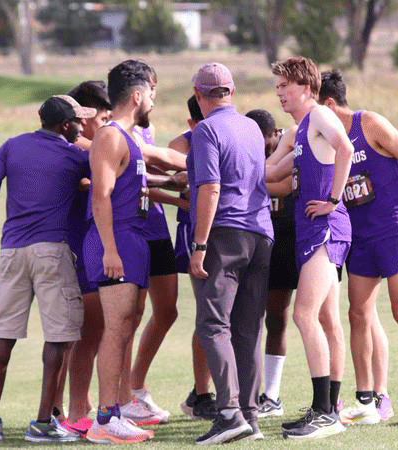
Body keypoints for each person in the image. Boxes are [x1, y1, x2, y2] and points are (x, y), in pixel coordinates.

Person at [318, 69, 398, 425]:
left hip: (394, 231)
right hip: (361, 238)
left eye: (317, 110)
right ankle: (365, 401)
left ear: (329, 104)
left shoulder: (369, 124)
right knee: (357, 314)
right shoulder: (328, 140)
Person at [0, 95, 96, 443]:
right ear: (65, 125)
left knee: (4, 336)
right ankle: (42, 423)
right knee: (59, 336)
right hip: (52, 252)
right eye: (79, 122)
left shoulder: (12, 146)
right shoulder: (76, 155)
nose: (84, 127)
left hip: (12, 251)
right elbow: (106, 182)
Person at [83, 59, 175, 444]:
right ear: (137, 95)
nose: (154, 98)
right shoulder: (110, 137)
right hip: (116, 240)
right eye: (151, 92)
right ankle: (105, 419)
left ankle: (118, 409)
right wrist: (110, 249)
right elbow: (101, 196)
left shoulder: (130, 137)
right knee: (117, 327)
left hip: (134, 238)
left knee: (129, 323)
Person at [266, 56, 353, 439]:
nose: (279, 93)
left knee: (304, 315)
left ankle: (324, 413)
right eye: (278, 87)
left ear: (305, 86)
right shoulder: (299, 130)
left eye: (285, 86)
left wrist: (334, 199)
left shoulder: (319, 116)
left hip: (326, 228)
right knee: (329, 319)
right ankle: (328, 407)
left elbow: (346, 148)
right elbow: (270, 173)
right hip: (309, 231)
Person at [188, 63, 274, 444]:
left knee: (212, 324)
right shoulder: (252, 127)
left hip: (223, 235)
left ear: (198, 94)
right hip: (261, 235)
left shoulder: (206, 129)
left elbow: (210, 188)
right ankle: (250, 417)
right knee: (248, 328)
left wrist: (199, 244)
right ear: (232, 92)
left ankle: (228, 413)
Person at [60, 80, 112, 437]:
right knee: (88, 328)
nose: (107, 124)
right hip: (75, 245)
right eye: (103, 117)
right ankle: (76, 407)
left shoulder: (87, 147)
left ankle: (75, 404)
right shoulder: (79, 147)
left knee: (88, 330)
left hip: (83, 242)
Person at [245, 109, 297, 418]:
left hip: (287, 243)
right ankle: (246, 396)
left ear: (273, 135)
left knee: (278, 317)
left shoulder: (290, 148)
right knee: (248, 319)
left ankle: (272, 396)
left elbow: (283, 185)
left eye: (263, 141)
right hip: (253, 243)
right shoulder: (249, 155)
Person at [170, 96, 217, 421]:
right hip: (195, 233)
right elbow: (184, 187)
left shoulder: (227, 132)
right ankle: (202, 394)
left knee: (227, 313)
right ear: (192, 124)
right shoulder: (181, 145)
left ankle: (224, 392)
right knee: (207, 311)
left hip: (228, 231)